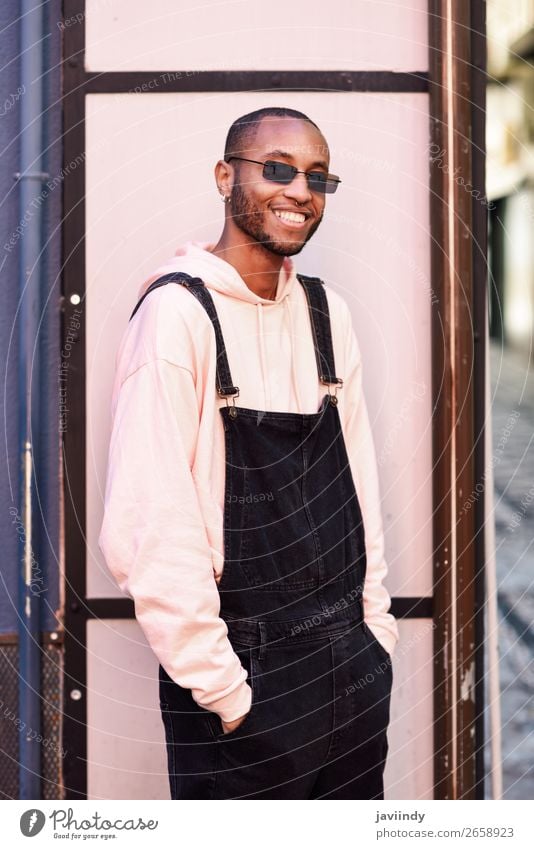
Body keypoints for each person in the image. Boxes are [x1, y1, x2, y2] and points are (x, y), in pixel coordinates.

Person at [98, 106, 399, 800]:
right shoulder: (177, 315)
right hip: (242, 687)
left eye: (318, 177)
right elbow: (150, 523)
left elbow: (360, 485)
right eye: (278, 169)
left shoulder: (328, 315)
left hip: (349, 677)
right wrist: (228, 693)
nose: (299, 190)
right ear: (225, 175)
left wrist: (374, 638)